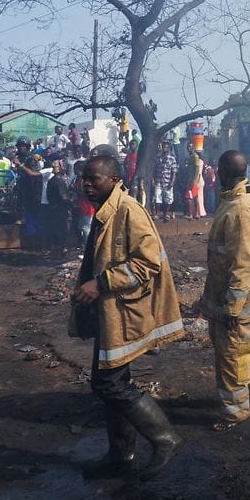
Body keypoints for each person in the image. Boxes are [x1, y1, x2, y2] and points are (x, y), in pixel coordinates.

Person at [70, 155, 185, 481]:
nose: (87, 185)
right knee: (110, 382)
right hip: (111, 313)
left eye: (94, 179)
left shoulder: (128, 210)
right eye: (84, 178)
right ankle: (121, 455)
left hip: (124, 312)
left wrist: (100, 283)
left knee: (109, 383)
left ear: (115, 179)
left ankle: (166, 439)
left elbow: (147, 263)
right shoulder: (105, 210)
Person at [199, 150, 250, 431]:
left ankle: (235, 411)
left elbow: (242, 264)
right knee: (235, 348)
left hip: (235, 302)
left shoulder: (238, 209)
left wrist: (232, 308)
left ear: (223, 173)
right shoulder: (240, 199)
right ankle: (249, 375)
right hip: (227, 295)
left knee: (229, 355)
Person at [46, 159, 72, 253]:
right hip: (59, 210)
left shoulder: (51, 180)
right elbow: (63, 197)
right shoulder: (59, 181)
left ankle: (55, 250)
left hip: (52, 208)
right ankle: (60, 251)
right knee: (61, 230)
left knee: (55, 231)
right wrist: (71, 203)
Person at [153, 141, 178, 221]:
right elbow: (154, 170)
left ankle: (165, 214)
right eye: (163, 147)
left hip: (168, 181)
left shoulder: (172, 159)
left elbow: (174, 171)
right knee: (157, 197)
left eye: (166, 147)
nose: (164, 148)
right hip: (158, 180)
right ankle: (157, 214)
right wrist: (153, 180)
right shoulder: (158, 158)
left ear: (169, 148)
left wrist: (172, 181)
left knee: (168, 198)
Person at [185, 145, 205, 220]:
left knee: (189, 197)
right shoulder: (192, 156)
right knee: (195, 196)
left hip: (193, 180)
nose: (188, 148)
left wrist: (194, 181)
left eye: (190, 146)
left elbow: (197, 169)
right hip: (192, 179)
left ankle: (191, 214)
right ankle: (196, 214)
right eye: (188, 147)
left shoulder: (195, 156)